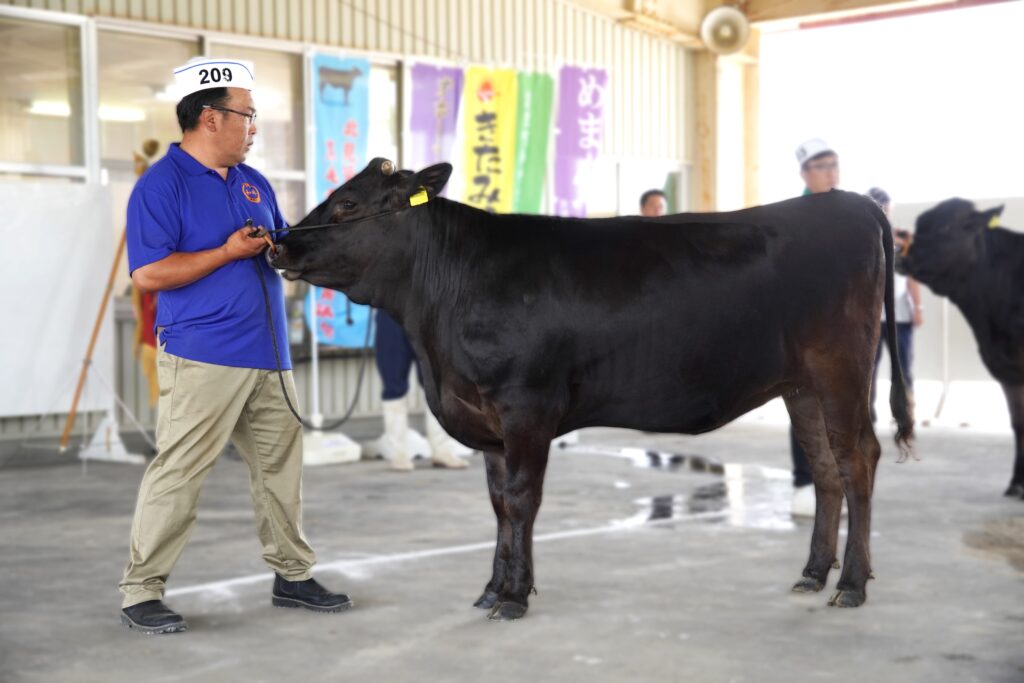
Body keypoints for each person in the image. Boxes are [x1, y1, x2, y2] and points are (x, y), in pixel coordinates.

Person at [119, 57, 350, 635]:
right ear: (208, 117)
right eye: (247, 115)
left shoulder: (255, 182)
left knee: (280, 470)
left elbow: (279, 246)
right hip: (202, 354)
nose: (253, 127)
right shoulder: (161, 185)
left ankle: (292, 575)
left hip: (269, 355)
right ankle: (141, 590)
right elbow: (147, 274)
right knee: (181, 471)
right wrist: (225, 252)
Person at [790, 138, 841, 517]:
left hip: (841, 330)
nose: (830, 173)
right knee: (804, 404)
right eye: (822, 166)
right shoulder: (796, 216)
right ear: (805, 173)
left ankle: (836, 476)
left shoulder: (849, 212)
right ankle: (804, 481)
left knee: (842, 407)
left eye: (834, 165)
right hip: (804, 328)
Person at [373, 310, 470, 471]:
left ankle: (442, 450)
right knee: (393, 385)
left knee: (436, 381)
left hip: (426, 311)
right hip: (390, 312)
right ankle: (399, 454)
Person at [866, 187, 922, 423]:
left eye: (887, 210)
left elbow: (911, 277)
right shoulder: (861, 240)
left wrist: (919, 308)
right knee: (867, 371)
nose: (885, 214)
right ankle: (865, 415)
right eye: (880, 209)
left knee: (903, 370)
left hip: (900, 318)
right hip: (870, 320)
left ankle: (905, 413)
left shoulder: (903, 239)